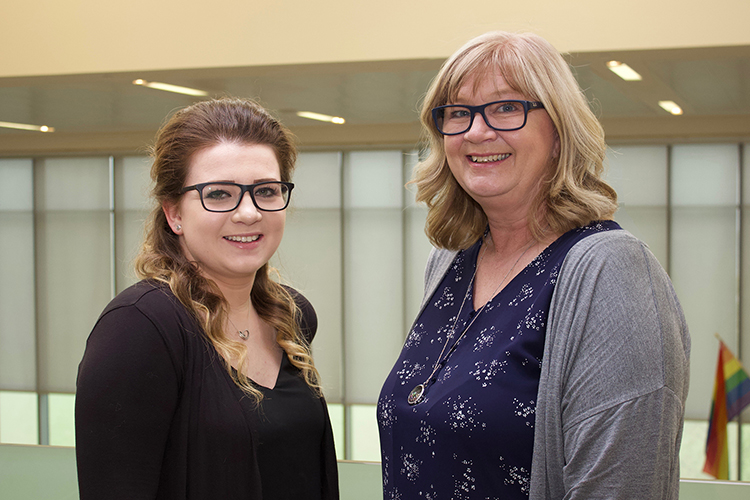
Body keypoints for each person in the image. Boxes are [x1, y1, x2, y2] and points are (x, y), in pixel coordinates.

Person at [377, 31, 690, 500]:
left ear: (560, 132)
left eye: (506, 107)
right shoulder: (450, 262)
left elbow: (621, 485)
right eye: (459, 113)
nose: (477, 131)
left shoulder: (610, 271)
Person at [75, 97, 339, 499]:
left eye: (266, 191)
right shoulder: (140, 328)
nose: (249, 213)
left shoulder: (292, 315)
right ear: (174, 213)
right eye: (219, 194)